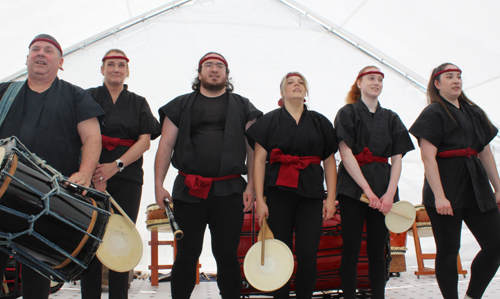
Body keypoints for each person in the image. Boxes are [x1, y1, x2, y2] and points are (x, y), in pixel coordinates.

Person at [0, 34, 103, 299]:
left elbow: (92, 137)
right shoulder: (4, 92)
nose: (40, 54)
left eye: (48, 50)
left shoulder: (75, 95)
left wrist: (85, 172)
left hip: (49, 198)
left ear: (61, 62)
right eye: (35, 49)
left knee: (37, 277)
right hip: (1, 194)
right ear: (27, 59)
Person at [154, 52, 262, 299]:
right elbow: (165, 146)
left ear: (227, 73)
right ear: (200, 73)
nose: (214, 69)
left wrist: (252, 187)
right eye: (209, 65)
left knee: (226, 255)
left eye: (220, 66)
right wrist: (158, 185)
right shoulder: (179, 105)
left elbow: (252, 150)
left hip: (230, 190)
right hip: (189, 189)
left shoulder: (243, 106)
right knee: (186, 255)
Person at [409, 63, 500, 299]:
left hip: (476, 187)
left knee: (496, 244)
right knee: (449, 250)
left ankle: (472, 296)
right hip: (446, 188)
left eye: (459, 76)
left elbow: (486, 153)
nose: (456, 80)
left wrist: (498, 188)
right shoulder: (433, 113)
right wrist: (439, 196)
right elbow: (428, 157)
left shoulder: (475, 112)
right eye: (449, 77)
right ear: (437, 84)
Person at [246, 72, 338, 299]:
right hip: (278, 194)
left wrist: (330, 198)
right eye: (291, 83)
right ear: (282, 91)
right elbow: (258, 160)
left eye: (301, 83)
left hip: (311, 194)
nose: (296, 86)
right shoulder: (268, 121)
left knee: (308, 252)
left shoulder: (320, 122)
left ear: (306, 91)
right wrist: (260, 199)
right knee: (279, 252)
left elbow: (329, 162)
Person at [79, 49, 161, 299]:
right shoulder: (88, 97)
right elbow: (80, 136)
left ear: (127, 71)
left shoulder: (138, 102)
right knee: (90, 239)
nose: (116, 69)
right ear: (102, 69)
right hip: (92, 176)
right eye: (111, 64)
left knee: (121, 237)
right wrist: (94, 171)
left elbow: (144, 141)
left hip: (128, 177)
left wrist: (116, 166)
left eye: (121, 65)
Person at [334, 66, 414, 299]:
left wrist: (390, 194)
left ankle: (378, 295)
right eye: (371, 78)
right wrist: (367, 191)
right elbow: (345, 154)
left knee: (378, 250)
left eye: (380, 79)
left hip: (383, 189)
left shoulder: (391, 117)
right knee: (350, 248)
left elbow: (397, 159)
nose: (376, 82)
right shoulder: (347, 112)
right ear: (359, 83)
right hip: (352, 188)